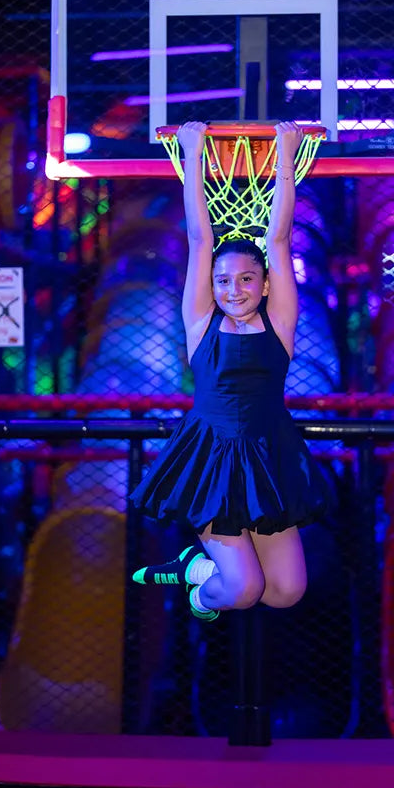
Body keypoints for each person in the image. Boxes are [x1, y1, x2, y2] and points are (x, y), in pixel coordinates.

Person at [130, 120, 331, 621]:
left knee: (285, 591)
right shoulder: (201, 324)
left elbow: (279, 239)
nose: (234, 288)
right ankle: (199, 580)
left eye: (246, 278)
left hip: (267, 459)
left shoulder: (279, 323)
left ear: (264, 285)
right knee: (242, 590)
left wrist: (286, 154)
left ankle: (204, 569)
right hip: (210, 460)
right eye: (224, 280)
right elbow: (201, 240)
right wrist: (194, 153)